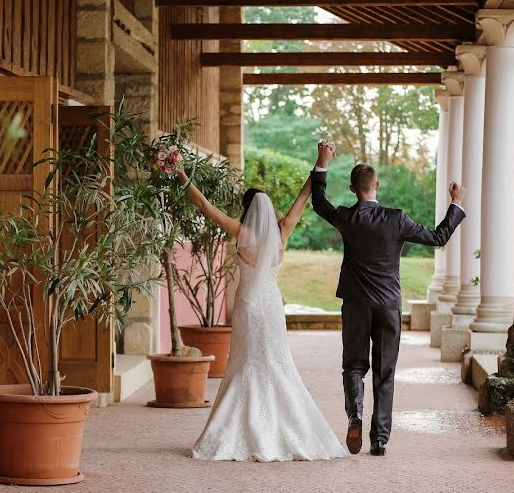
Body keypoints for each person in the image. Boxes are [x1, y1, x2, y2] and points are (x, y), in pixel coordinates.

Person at [176, 166, 347, 462]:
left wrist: (179, 172)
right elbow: (304, 196)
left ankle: (240, 429)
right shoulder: (282, 231)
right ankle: (288, 429)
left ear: (247, 210)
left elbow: (205, 205)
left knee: (244, 363)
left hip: (247, 306)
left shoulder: (241, 232)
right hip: (270, 305)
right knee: (277, 363)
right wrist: (320, 165)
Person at [311, 141, 466, 457]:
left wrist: (322, 162)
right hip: (388, 307)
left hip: (355, 304)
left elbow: (319, 202)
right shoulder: (397, 218)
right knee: (385, 372)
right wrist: (456, 204)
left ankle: (355, 415)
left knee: (354, 366)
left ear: (353, 188)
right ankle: (379, 440)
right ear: (376, 185)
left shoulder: (346, 217)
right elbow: (437, 237)